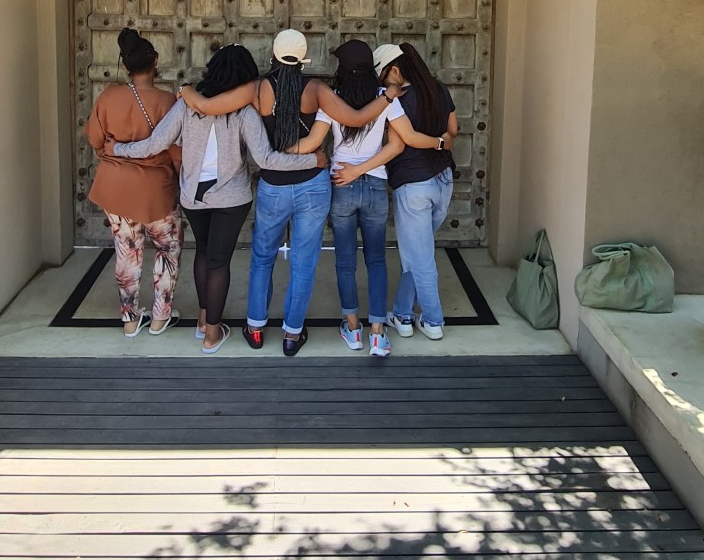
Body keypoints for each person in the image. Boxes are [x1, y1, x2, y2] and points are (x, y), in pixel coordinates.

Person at [180, 29, 403, 356]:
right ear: (303, 60)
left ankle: (255, 329)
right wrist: (388, 96)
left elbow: (206, 105)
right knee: (303, 262)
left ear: (273, 55)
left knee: (262, 259)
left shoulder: (257, 89)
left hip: (273, 185)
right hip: (312, 185)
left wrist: (184, 89)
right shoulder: (316, 90)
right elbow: (356, 118)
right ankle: (292, 335)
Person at [105, 43, 325, 354]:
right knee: (219, 261)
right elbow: (266, 159)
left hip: (193, 197)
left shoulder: (186, 104)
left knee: (204, 254)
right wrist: (312, 160)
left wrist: (117, 149)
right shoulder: (244, 111)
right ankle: (212, 334)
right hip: (230, 200)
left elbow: (154, 144)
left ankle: (203, 321)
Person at [294, 39, 454, 357]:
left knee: (345, 261)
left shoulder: (332, 100)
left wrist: (281, 150)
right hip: (376, 187)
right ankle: (378, 333)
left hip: (342, 183)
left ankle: (353, 328)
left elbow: (313, 142)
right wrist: (440, 142)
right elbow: (399, 144)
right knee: (377, 260)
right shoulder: (386, 99)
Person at [85, 28, 183, 337]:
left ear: (126, 65)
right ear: (155, 62)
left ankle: (129, 320)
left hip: (115, 188)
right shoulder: (168, 101)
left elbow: (95, 139)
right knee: (167, 249)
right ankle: (160, 317)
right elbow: (176, 152)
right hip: (156, 190)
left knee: (127, 252)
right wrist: (179, 179)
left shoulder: (109, 96)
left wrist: (112, 154)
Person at [373, 42, 459, 341]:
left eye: (383, 74)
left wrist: (435, 142)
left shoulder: (395, 100)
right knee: (417, 250)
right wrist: (442, 141)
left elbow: (406, 139)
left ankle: (433, 320)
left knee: (420, 257)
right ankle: (402, 313)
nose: (383, 81)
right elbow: (453, 129)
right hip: (443, 179)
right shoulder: (438, 88)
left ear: (395, 70)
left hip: (413, 185)